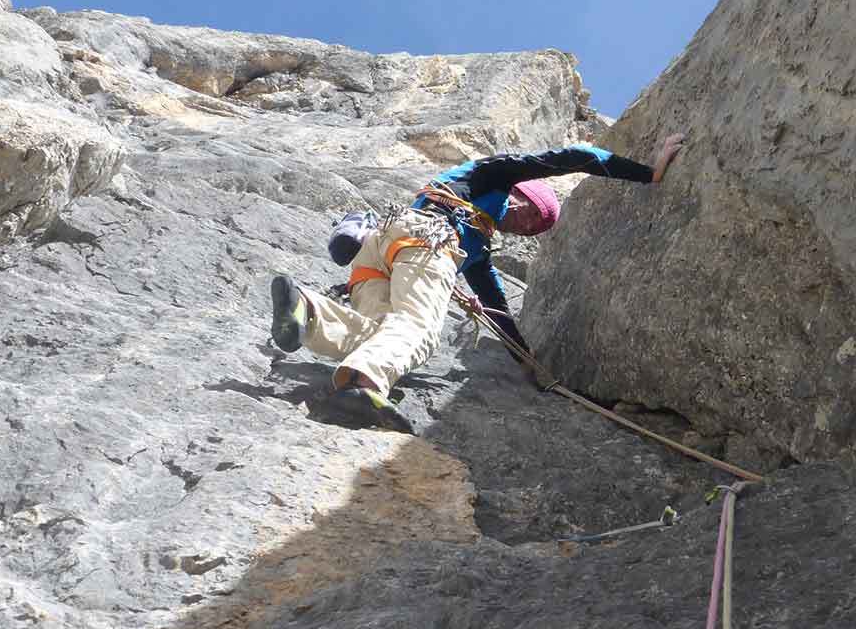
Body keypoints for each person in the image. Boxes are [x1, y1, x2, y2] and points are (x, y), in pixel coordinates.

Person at [268, 134, 685, 431]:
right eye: (529, 218)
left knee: (383, 334)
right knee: (420, 329)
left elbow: (495, 303)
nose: (521, 228)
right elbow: (575, 156)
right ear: (524, 196)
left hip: (379, 250)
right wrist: (650, 173)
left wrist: (526, 361)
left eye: (529, 232)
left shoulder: (478, 243)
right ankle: (361, 386)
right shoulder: (494, 175)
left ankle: (308, 311)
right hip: (426, 238)